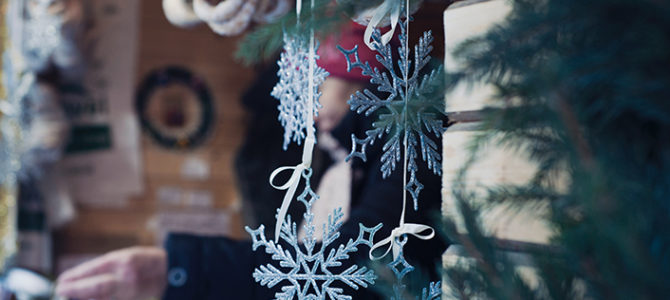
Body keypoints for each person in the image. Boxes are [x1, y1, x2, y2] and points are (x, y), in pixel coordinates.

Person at [55, 23, 446, 300]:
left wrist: (185, 270)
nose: (310, 114)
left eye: (314, 88)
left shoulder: (409, 135)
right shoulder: (361, 153)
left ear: (355, 70)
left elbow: (352, 262)